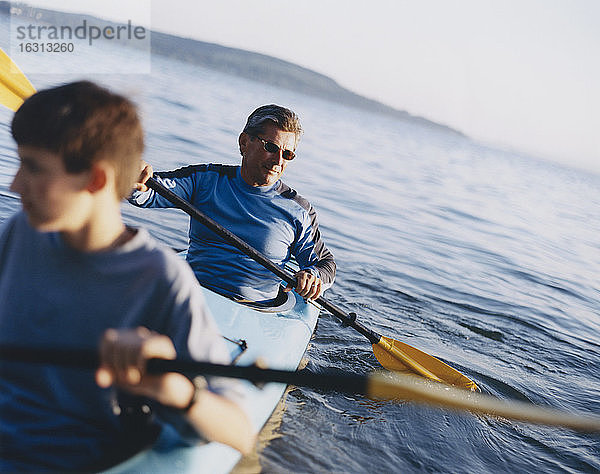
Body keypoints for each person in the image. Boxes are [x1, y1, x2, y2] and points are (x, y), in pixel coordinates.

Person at [0, 81, 254, 472]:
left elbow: (240, 432)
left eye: (32, 167)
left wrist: (173, 389)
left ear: (96, 180)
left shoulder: (161, 280)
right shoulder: (20, 232)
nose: (15, 184)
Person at [130, 104, 336, 305]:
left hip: (254, 309)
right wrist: (134, 178)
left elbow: (325, 265)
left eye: (287, 154)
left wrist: (312, 275)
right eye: (271, 148)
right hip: (191, 296)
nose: (278, 161)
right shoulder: (205, 179)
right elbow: (147, 193)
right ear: (244, 142)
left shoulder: (298, 211)